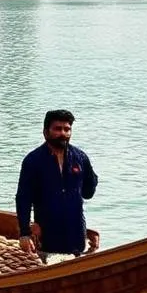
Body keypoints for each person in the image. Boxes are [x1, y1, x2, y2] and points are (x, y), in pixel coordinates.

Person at [15, 109, 100, 261]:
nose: (63, 133)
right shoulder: (33, 161)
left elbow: (89, 191)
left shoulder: (80, 158)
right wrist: (25, 233)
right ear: (45, 132)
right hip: (46, 239)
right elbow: (23, 199)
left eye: (67, 129)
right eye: (57, 129)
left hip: (76, 237)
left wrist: (90, 233)